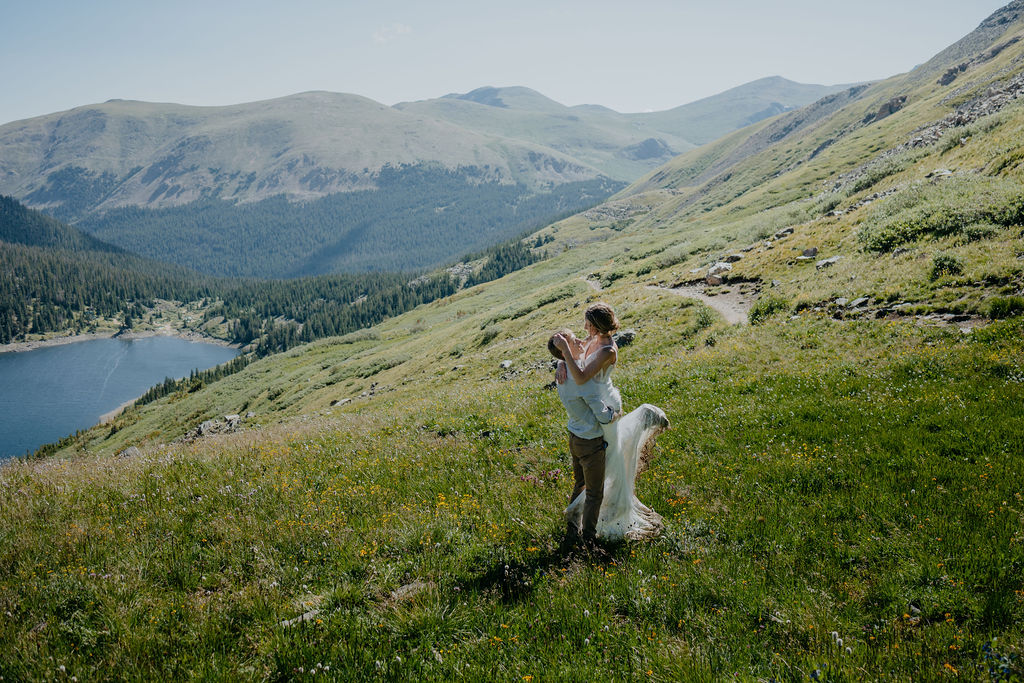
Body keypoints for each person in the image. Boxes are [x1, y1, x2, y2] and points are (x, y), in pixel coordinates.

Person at [549, 302, 670, 547]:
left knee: (610, 456)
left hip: (602, 401)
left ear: (595, 326)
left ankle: (602, 514)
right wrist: (561, 362)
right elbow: (575, 358)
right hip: (593, 402)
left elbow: (582, 378)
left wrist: (565, 359)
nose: (584, 328)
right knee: (601, 461)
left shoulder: (607, 351)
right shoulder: (593, 338)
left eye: (587, 323)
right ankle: (585, 518)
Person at [547, 324, 620, 551]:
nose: (580, 342)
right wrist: (615, 413)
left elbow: (570, 360)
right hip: (590, 441)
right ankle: (588, 540)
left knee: (579, 483)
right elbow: (603, 417)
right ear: (563, 351)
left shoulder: (564, 371)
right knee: (594, 493)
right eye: (574, 341)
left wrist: (561, 360)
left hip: (574, 436)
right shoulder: (581, 379)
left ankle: (571, 527)